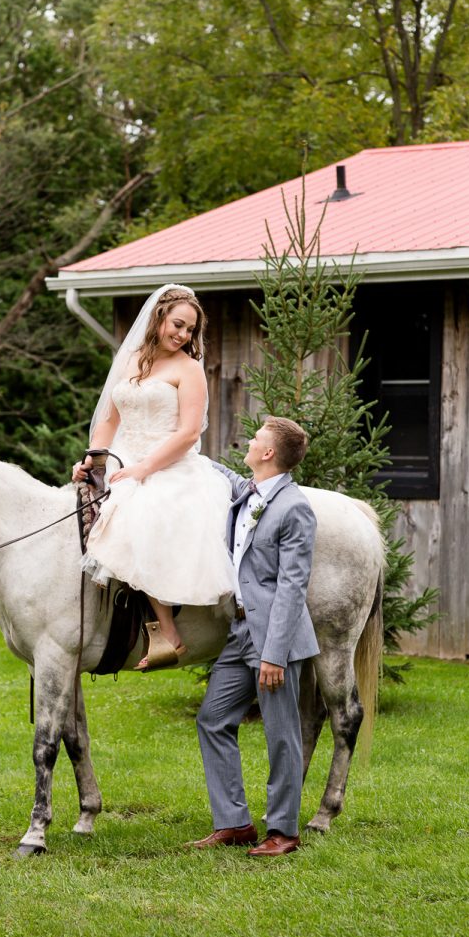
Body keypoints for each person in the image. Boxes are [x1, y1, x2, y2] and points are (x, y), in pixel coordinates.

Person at [72, 284, 235, 671]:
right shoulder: (129, 359)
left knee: (140, 514)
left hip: (169, 464)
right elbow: (109, 421)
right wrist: (92, 462)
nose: (183, 335)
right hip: (122, 459)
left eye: (190, 330)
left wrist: (145, 469)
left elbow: (189, 433)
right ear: (159, 318)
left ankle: (167, 632)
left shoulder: (189, 369)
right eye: (178, 324)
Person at [192, 416, 319, 857]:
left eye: (256, 440)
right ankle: (234, 823)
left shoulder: (294, 507)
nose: (248, 442)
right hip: (239, 631)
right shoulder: (249, 490)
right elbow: (220, 473)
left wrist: (275, 655)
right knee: (212, 719)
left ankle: (284, 832)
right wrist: (180, 450)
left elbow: (292, 586)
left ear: (269, 454)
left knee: (281, 735)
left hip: (274, 642)